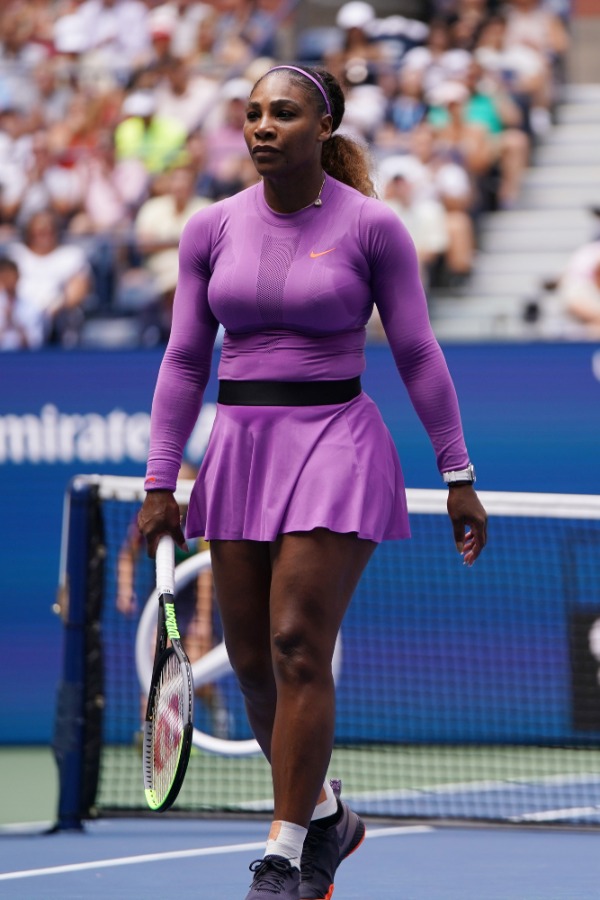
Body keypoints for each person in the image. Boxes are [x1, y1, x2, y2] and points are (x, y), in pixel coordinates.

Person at [137, 64, 487, 900]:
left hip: (336, 443)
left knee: (298, 643)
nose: (262, 127)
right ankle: (329, 812)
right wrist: (159, 480)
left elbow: (417, 354)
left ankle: (286, 851)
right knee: (254, 661)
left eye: (283, 114)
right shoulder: (210, 229)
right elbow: (186, 358)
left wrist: (458, 471)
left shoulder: (374, 227)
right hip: (242, 448)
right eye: (252, 114)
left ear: (322, 127)